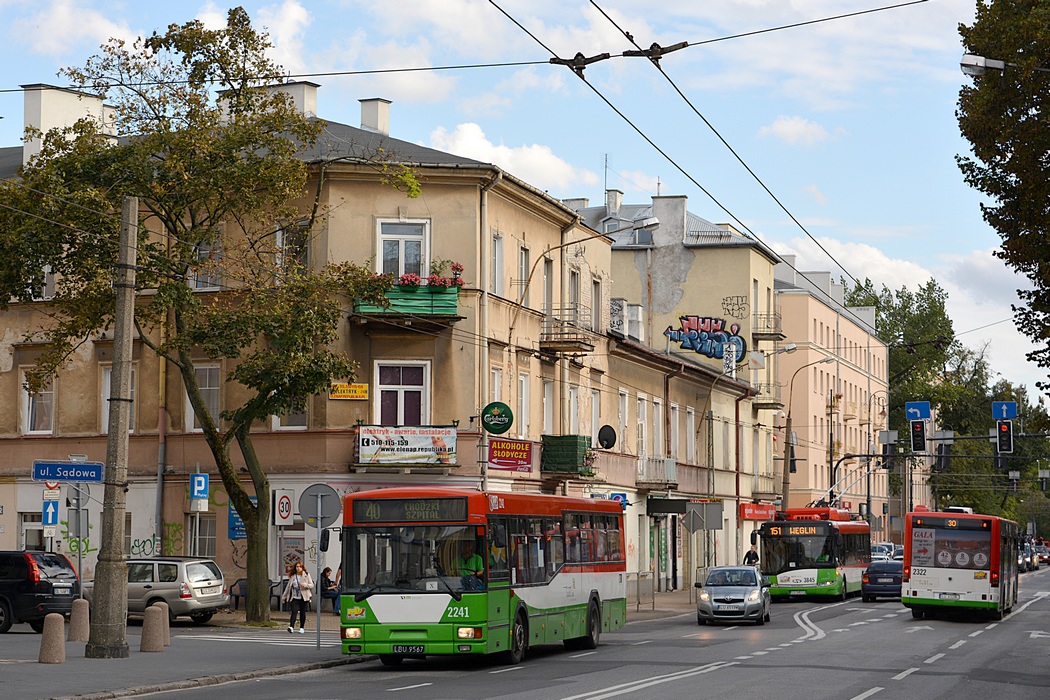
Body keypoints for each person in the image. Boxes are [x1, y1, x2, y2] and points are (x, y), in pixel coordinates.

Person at [281, 560, 313, 634]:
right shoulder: (293, 576)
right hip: (294, 597)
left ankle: (302, 627)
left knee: (302, 612)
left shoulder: (306, 575)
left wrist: (305, 585)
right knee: (294, 611)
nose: (298, 568)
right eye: (297, 567)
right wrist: (284, 596)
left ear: (302, 568)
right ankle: (291, 627)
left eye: (300, 567)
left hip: (303, 597)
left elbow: (311, 585)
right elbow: (288, 587)